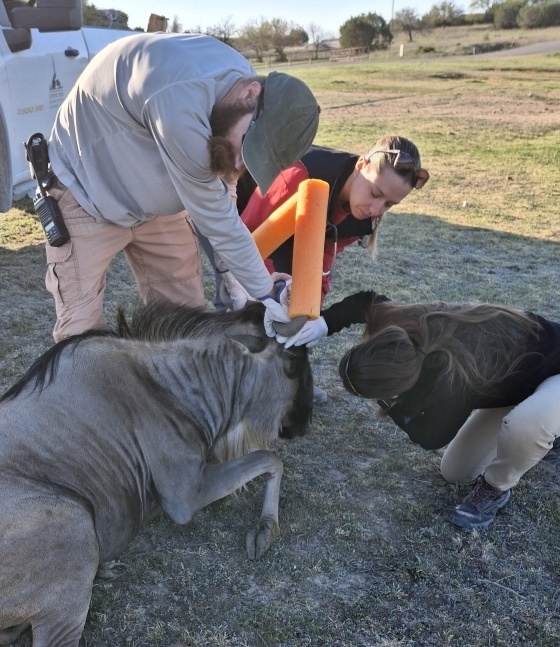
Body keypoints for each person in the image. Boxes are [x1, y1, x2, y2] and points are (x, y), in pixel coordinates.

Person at [42, 32, 320, 341]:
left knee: (184, 331)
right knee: (82, 340)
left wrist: (239, 279)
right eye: (247, 148)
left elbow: (223, 187)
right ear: (250, 94)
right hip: (86, 191)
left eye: (252, 162)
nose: (240, 165)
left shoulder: (235, 95)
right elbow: (219, 221)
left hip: (158, 204)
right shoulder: (179, 103)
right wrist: (266, 294)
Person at [292, 290, 560, 530]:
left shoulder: (452, 375)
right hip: (518, 384)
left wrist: (390, 405)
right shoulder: (401, 332)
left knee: (525, 427)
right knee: (455, 471)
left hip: (554, 372)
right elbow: (366, 303)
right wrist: (326, 323)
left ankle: (496, 489)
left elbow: (432, 436)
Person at [213, 136, 427, 309]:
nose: (375, 209)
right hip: (228, 208)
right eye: (374, 192)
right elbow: (244, 242)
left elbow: (321, 260)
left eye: (389, 204)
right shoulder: (299, 176)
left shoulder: (363, 213)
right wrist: (270, 291)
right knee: (240, 298)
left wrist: (310, 310)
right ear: (361, 165)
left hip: (289, 229)